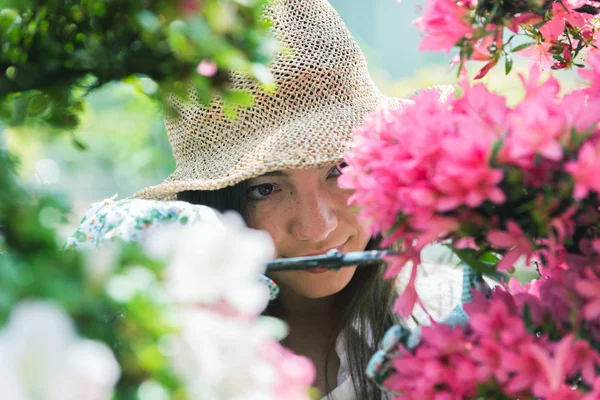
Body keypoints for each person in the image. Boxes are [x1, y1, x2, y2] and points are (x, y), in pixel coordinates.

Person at [109, 0, 460, 398]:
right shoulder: (159, 352)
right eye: (265, 189)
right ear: (213, 202)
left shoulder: (450, 321)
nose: (317, 227)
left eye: (340, 171)